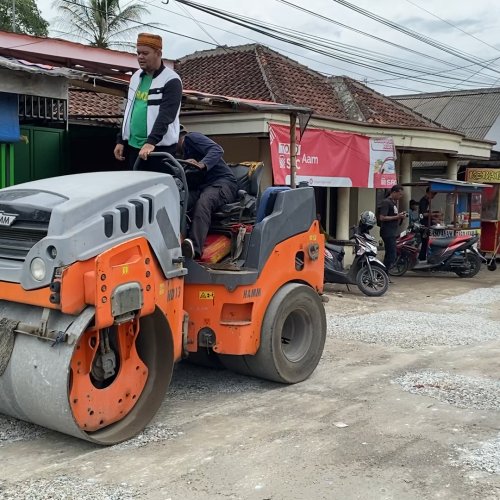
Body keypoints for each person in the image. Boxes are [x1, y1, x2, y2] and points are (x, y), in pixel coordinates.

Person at [114, 33, 182, 172]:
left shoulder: (171, 80)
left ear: (158, 53)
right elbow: (129, 110)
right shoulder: (135, 77)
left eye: (145, 53)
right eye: (138, 53)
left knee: (158, 189)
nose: (140, 57)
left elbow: (166, 115)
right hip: (134, 147)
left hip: (158, 149)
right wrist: (121, 140)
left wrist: (151, 142)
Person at [178, 126, 238, 260]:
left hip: (222, 183)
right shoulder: (178, 155)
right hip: (202, 187)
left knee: (204, 202)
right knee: (179, 200)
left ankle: (193, 248)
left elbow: (217, 149)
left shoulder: (191, 138)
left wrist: (202, 164)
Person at [378, 184, 406, 271]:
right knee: (392, 254)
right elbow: (382, 217)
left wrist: (400, 216)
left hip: (392, 232)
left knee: (389, 254)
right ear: (394, 192)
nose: (400, 196)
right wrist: (397, 217)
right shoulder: (386, 202)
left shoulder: (393, 203)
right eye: (400, 194)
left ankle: (383, 273)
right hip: (387, 232)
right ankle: (382, 273)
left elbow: (394, 216)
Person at [418, 187, 439, 261]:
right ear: (428, 193)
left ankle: (423, 258)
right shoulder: (423, 201)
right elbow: (423, 214)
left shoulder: (427, 201)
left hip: (426, 224)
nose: (433, 197)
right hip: (424, 225)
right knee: (425, 243)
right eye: (433, 194)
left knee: (426, 243)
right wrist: (433, 215)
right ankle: (422, 258)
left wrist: (433, 218)